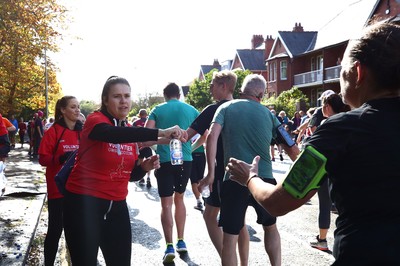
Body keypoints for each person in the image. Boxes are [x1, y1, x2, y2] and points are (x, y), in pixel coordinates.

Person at [226, 21, 400, 265]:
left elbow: (278, 202)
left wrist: (250, 177)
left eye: (342, 69)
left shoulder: (341, 130)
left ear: (358, 72)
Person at [62, 76, 186, 265]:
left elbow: (129, 175)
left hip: (116, 207)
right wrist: (161, 132)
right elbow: (112, 134)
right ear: (105, 100)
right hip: (84, 205)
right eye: (117, 96)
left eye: (127, 96)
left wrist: (144, 167)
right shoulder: (96, 121)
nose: (123, 101)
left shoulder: (128, 129)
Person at [201, 74, 285, 266]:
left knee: (230, 236)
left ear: (242, 91)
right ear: (261, 94)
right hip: (263, 180)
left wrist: (211, 173)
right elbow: (291, 147)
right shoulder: (270, 115)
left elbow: (211, 138)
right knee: (270, 227)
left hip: (233, 178)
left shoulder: (225, 108)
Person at [187, 70, 250, 265]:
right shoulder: (244, 108)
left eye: (212, 85)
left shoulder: (213, 109)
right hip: (244, 170)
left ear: (223, 86)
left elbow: (188, 135)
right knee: (239, 222)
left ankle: (227, 257)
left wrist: (166, 136)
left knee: (210, 214)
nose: (210, 89)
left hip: (221, 171)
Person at [145, 82, 199, 264]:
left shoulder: (158, 109)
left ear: (165, 95)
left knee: (166, 204)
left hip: (165, 161)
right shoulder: (191, 109)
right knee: (180, 199)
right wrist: (191, 147)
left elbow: (145, 134)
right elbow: (205, 134)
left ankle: (169, 245)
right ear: (178, 94)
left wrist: (157, 146)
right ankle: (181, 241)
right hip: (186, 160)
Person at [38, 96, 83, 266]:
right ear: (63, 110)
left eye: (78, 107)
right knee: (55, 230)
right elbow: (43, 159)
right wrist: (60, 158)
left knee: (77, 231)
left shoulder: (82, 131)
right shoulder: (54, 131)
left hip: (78, 188)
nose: (77, 110)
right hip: (58, 189)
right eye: (73, 107)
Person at [309, 93, 350, 251]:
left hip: (325, 170)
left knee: (324, 204)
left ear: (326, 107)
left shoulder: (327, 123)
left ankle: (322, 239)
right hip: (345, 171)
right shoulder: (349, 120)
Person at [133, 109, 153, 187]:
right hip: (148, 145)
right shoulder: (149, 122)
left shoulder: (135, 123)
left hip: (139, 146)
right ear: (146, 114)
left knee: (140, 160)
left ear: (139, 114)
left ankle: (141, 177)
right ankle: (148, 177)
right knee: (149, 161)